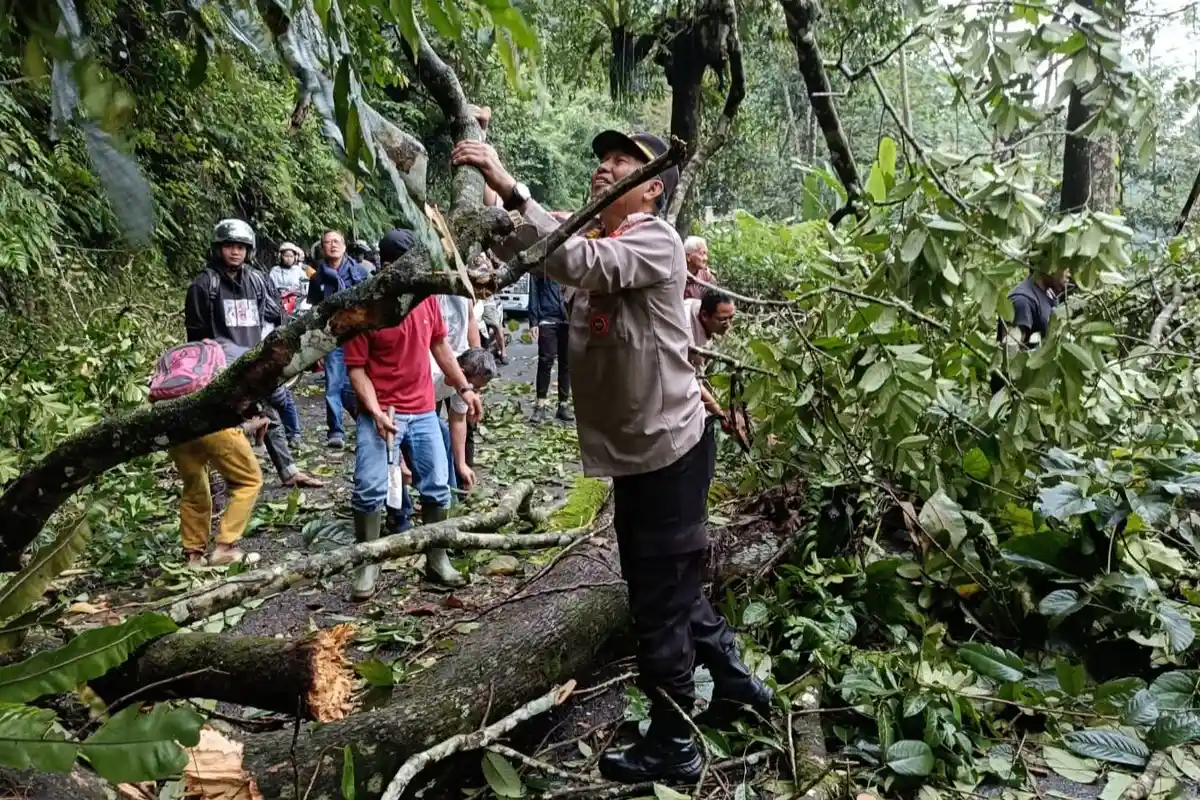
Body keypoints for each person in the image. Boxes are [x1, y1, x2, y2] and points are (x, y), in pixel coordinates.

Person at [453, 130, 773, 784]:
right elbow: (560, 254)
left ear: (652, 183)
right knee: (674, 584)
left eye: (623, 161)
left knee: (656, 596)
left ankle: (674, 742)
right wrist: (500, 205)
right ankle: (736, 682)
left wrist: (509, 184)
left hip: (668, 455)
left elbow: (578, 263)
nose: (605, 167)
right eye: (603, 157)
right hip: (642, 453)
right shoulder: (600, 243)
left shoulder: (654, 240)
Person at [344, 228, 485, 600]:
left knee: (438, 485)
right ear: (387, 266)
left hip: (422, 410)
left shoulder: (425, 300)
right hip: (381, 411)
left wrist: (465, 388)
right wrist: (375, 413)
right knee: (370, 488)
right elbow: (356, 369)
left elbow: (440, 345)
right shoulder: (366, 308)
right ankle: (368, 561)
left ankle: (436, 560)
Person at [184, 219, 324, 489]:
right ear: (218, 249)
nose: (235, 252)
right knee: (226, 421)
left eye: (241, 247)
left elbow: (274, 315)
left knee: (268, 411)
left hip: (252, 361)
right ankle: (215, 479)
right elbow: (196, 336)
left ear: (249, 251)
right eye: (229, 246)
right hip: (221, 367)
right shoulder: (204, 285)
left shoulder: (257, 280)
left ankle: (286, 471)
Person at [308, 230, 370, 449]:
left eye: (337, 242)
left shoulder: (360, 272)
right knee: (333, 385)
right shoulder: (317, 278)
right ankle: (335, 430)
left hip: (359, 336)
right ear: (322, 248)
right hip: (332, 339)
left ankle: (366, 425)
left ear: (344, 246)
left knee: (361, 382)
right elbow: (314, 312)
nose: (332, 245)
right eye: (328, 242)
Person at [529, 267, 573, 424]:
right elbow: (533, 291)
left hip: (568, 318)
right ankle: (540, 405)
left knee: (566, 363)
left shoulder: (569, 260)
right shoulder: (542, 264)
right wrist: (533, 321)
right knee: (545, 361)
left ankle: (563, 405)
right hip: (547, 318)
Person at [684, 289, 737, 419]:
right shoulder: (686, 335)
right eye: (723, 320)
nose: (728, 325)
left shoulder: (698, 306)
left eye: (731, 318)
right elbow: (692, 381)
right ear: (704, 315)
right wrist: (719, 413)